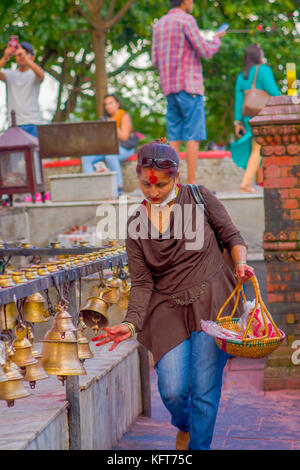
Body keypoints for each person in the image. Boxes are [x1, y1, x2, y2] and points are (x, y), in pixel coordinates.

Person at [92, 140, 255, 450]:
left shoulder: (199, 197)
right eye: (145, 184)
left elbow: (232, 236)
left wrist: (241, 264)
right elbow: (141, 283)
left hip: (212, 301)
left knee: (204, 388)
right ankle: (185, 425)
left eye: (162, 185)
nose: (153, 192)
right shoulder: (135, 226)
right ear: (138, 176)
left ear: (176, 177)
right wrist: (130, 324)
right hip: (166, 307)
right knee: (172, 389)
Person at [151, 0, 226, 185]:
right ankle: (191, 184)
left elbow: (154, 59)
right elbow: (205, 50)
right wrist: (217, 39)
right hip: (189, 86)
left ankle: (167, 183)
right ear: (185, 2)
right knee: (193, 136)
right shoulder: (186, 20)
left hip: (169, 88)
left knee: (174, 138)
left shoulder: (158, 25)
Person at [230, 44, 280, 193]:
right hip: (263, 116)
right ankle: (245, 183)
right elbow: (274, 93)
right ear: (258, 55)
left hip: (248, 117)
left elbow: (239, 101)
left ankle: (260, 180)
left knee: (257, 146)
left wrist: (237, 122)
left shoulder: (242, 76)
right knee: (258, 148)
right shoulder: (263, 70)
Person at [81, 94, 136, 195]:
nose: (108, 106)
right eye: (106, 104)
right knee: (87, 157)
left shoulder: (123, 116)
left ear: (118, 104)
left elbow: (124, 137)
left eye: (111, 103)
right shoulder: (105, 118)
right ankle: (91, 188)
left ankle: (118, 188)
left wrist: (112, 124)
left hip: (125, 148)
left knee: (110, 156)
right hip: (109, 147)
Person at [0, 40, 44, 137]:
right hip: (14, 125)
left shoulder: (34, 74)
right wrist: (5, 57)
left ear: (32, 57)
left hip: (33, 123)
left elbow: (41, 74)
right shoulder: (9, 74)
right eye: (19, 53)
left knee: (35, 152)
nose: (21, 55)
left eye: (26, 53)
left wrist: (25, 58)